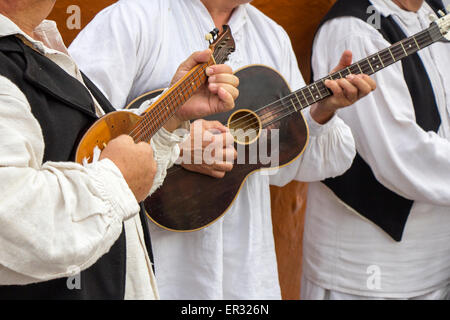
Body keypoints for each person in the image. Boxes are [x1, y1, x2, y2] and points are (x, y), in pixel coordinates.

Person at [69, 0, 376, 299]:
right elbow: (75, 132)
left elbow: (289, 165)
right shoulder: (132, 18)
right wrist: (175, 143)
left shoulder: (270, 36)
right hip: (161, 270)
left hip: (245, 273)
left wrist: (321, 112)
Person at [0, 0, 239, 299]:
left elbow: (95, 153)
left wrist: (170, 115)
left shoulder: (36, 47)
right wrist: (116, 181)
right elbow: (10, 221)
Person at [303, 0, 450, 299]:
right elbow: (399, 157)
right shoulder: (355, 29)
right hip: (372, 273)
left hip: (437, 262)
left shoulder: (436, 10)